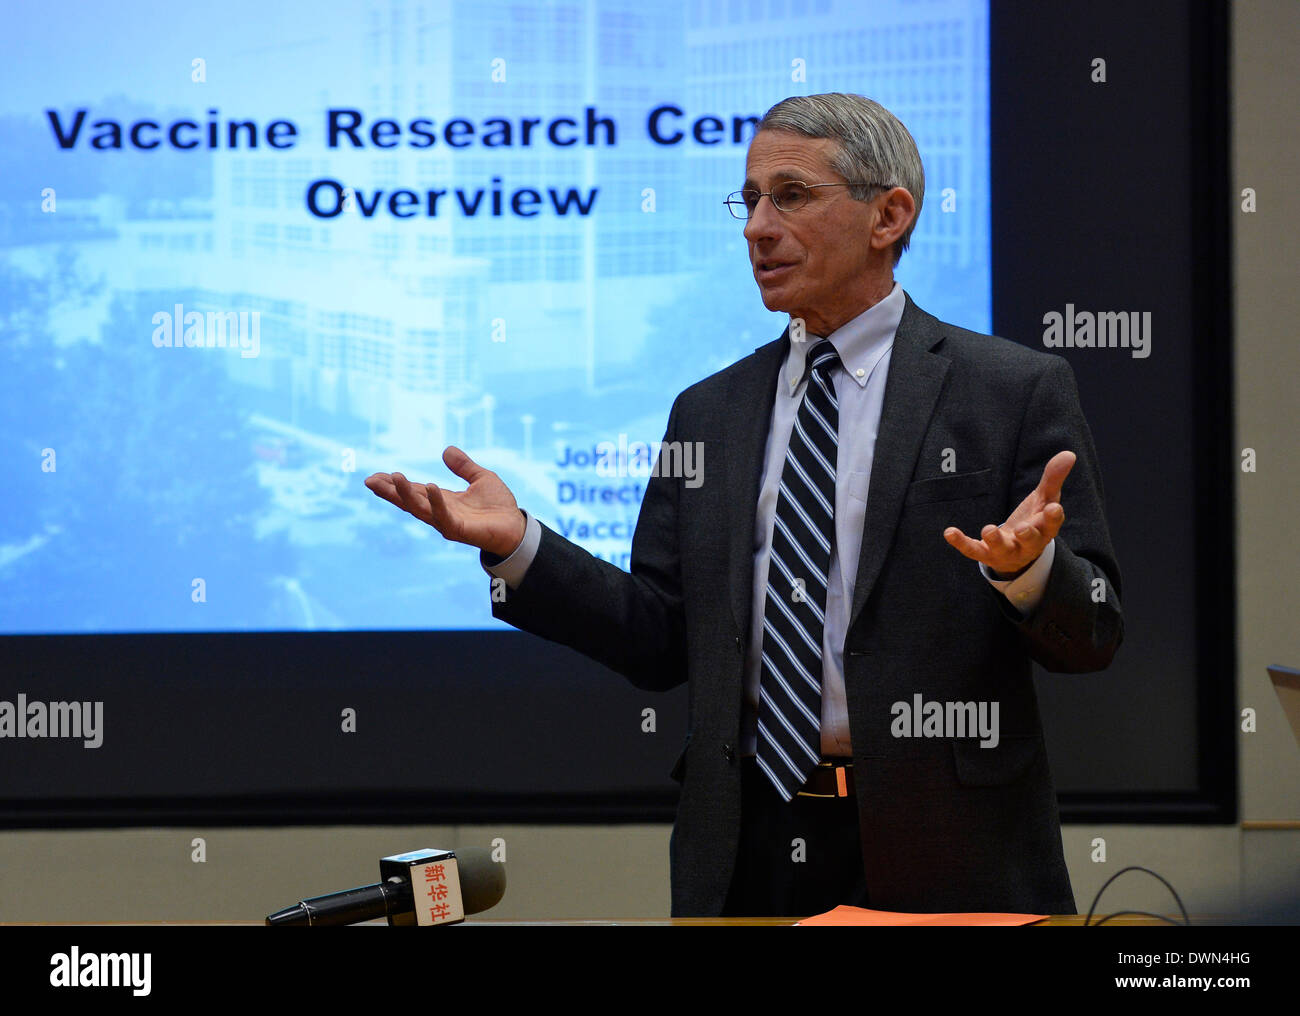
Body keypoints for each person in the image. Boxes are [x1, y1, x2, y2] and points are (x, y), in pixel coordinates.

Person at [366, 93, 1123, 918]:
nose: (757, 227)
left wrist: (1031, 572)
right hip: (745, 850)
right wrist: (521, 546)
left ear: (889, 215)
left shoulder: (1009, 391)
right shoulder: (710, 412)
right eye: (751, 198)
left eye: (792, 196)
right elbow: (658, 639)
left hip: (947, 848)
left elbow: (1095, 635)